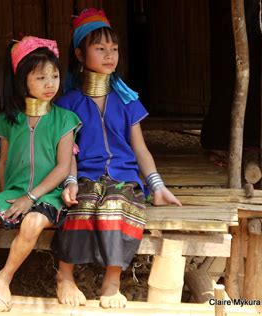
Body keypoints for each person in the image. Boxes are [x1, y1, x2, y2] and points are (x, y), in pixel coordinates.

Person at [52, 9, 182, 309]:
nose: (110, 55)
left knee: (116, 206)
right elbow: (68, 150)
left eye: (114, 49)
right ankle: (65, 276)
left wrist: (157, 185)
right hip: (84, 175)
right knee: (79, 204)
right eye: (100, 48)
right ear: (80, 54)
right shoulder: (68, 103)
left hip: (124, 177)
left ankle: (112, 282)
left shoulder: (127, 100)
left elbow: (140, 149)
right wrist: (70, 181)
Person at [0, 36, 81, 312]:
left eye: (55, 76)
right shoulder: (9, 120)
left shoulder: (64, 119)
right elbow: (4, 162)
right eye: (41, 77)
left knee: (32, 221)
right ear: (23, 82)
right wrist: (7, 196)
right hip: (15, 193)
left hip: (50, 195)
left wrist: (29, 198)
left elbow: (63, 167)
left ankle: (3, 281)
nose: (50, 84)